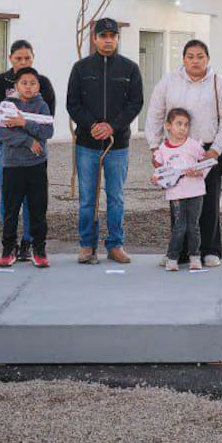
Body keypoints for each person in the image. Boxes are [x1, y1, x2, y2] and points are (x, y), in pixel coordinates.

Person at [144, 39, 222, 268]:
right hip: (176, 151)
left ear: (208, 59)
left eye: (200, 57)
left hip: (208, 151)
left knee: (208, 202)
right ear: (183, 59)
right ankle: (179, 253)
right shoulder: (169, 82)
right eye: (190, 57)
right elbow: (155, 113)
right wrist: (155, 147)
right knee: (179, 203)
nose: (195, 61)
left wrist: (215, 150)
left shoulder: (219, 83)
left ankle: (210, 250)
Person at [66, 17, 144, 265]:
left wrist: (112, 126)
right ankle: (87, 245)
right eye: (103, 36)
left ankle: (115, 245)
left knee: (116, 197)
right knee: (88, 198)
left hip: (117, 145)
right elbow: (73, 104)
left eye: (112, 36)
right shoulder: (80, 68)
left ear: (118, 38)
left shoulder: (130, 69)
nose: (108, 40)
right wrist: (92, 125)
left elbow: (136, 103)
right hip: (87, 144)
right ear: (95, 38)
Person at [0, 40, 57, 262]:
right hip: (11, 160)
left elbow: (47, 128)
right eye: (18, 58)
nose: (29, 86)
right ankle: (9, 248)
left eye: (27, 58)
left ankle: (34, 246)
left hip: (36, 160)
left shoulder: (42, 100)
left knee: (36, 206)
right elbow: (1, 129)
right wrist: (26, 140)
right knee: (10, 205)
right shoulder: (5, 96)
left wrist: (23, 122)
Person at [151, 108, 208, 272]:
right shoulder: (162, 149)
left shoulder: (194, 146)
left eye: (186, 125)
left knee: (193, 226)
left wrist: (199, 172)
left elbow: (206, 164)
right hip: (176, 193)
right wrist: (156, 179)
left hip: (196, 192)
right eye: (179, 124)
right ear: (168, 126)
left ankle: (195, 257)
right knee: (179, 226)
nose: (183, 128)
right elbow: (160, 172)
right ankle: (172, 258)